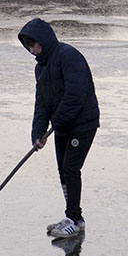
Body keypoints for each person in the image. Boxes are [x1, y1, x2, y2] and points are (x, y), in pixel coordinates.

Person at [18, 17, 100, 240]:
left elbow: (76, 92)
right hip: (62, 125)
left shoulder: (67, 56)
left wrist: (59, 121)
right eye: (28, 47)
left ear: (43, 40)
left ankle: (74, 219)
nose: (31, 50)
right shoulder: (41, 68)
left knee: (71, 168)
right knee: (63, 171)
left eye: (33, 45)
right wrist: (38, 133)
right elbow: (42, 102)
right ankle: (74, 216)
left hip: (82, 124)